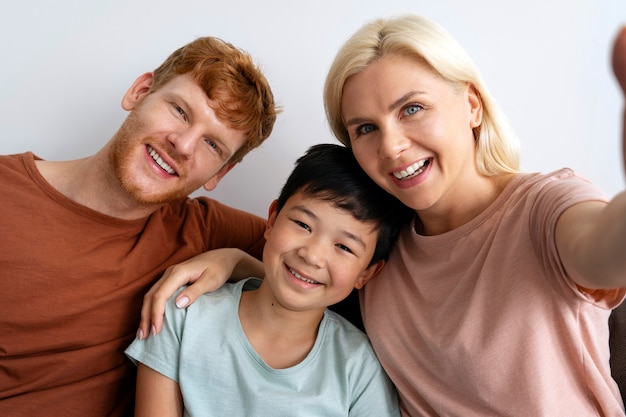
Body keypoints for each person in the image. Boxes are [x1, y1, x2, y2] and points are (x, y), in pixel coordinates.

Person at [143, 14, 626, 417]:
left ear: (472, 106)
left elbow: (602, 247)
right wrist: (233, 261)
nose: (392, 147)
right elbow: (301, 282)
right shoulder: (381, 250)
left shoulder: (544, 209)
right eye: (366, 128)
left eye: (413, 108)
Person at [0, 36, 278, 417]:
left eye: (212, 145)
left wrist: (234, 261)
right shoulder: (7, 191)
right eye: (180, 111)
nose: (183, 145)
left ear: (221, 173)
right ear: (140, 91)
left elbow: (330, 276)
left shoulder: (205, 230)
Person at [125, 143, 409, 416]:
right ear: (271, 220)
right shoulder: (184, 314)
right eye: (303, 225)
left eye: (344, 247)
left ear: (367, 273)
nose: (312, 256)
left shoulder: (358, 367)